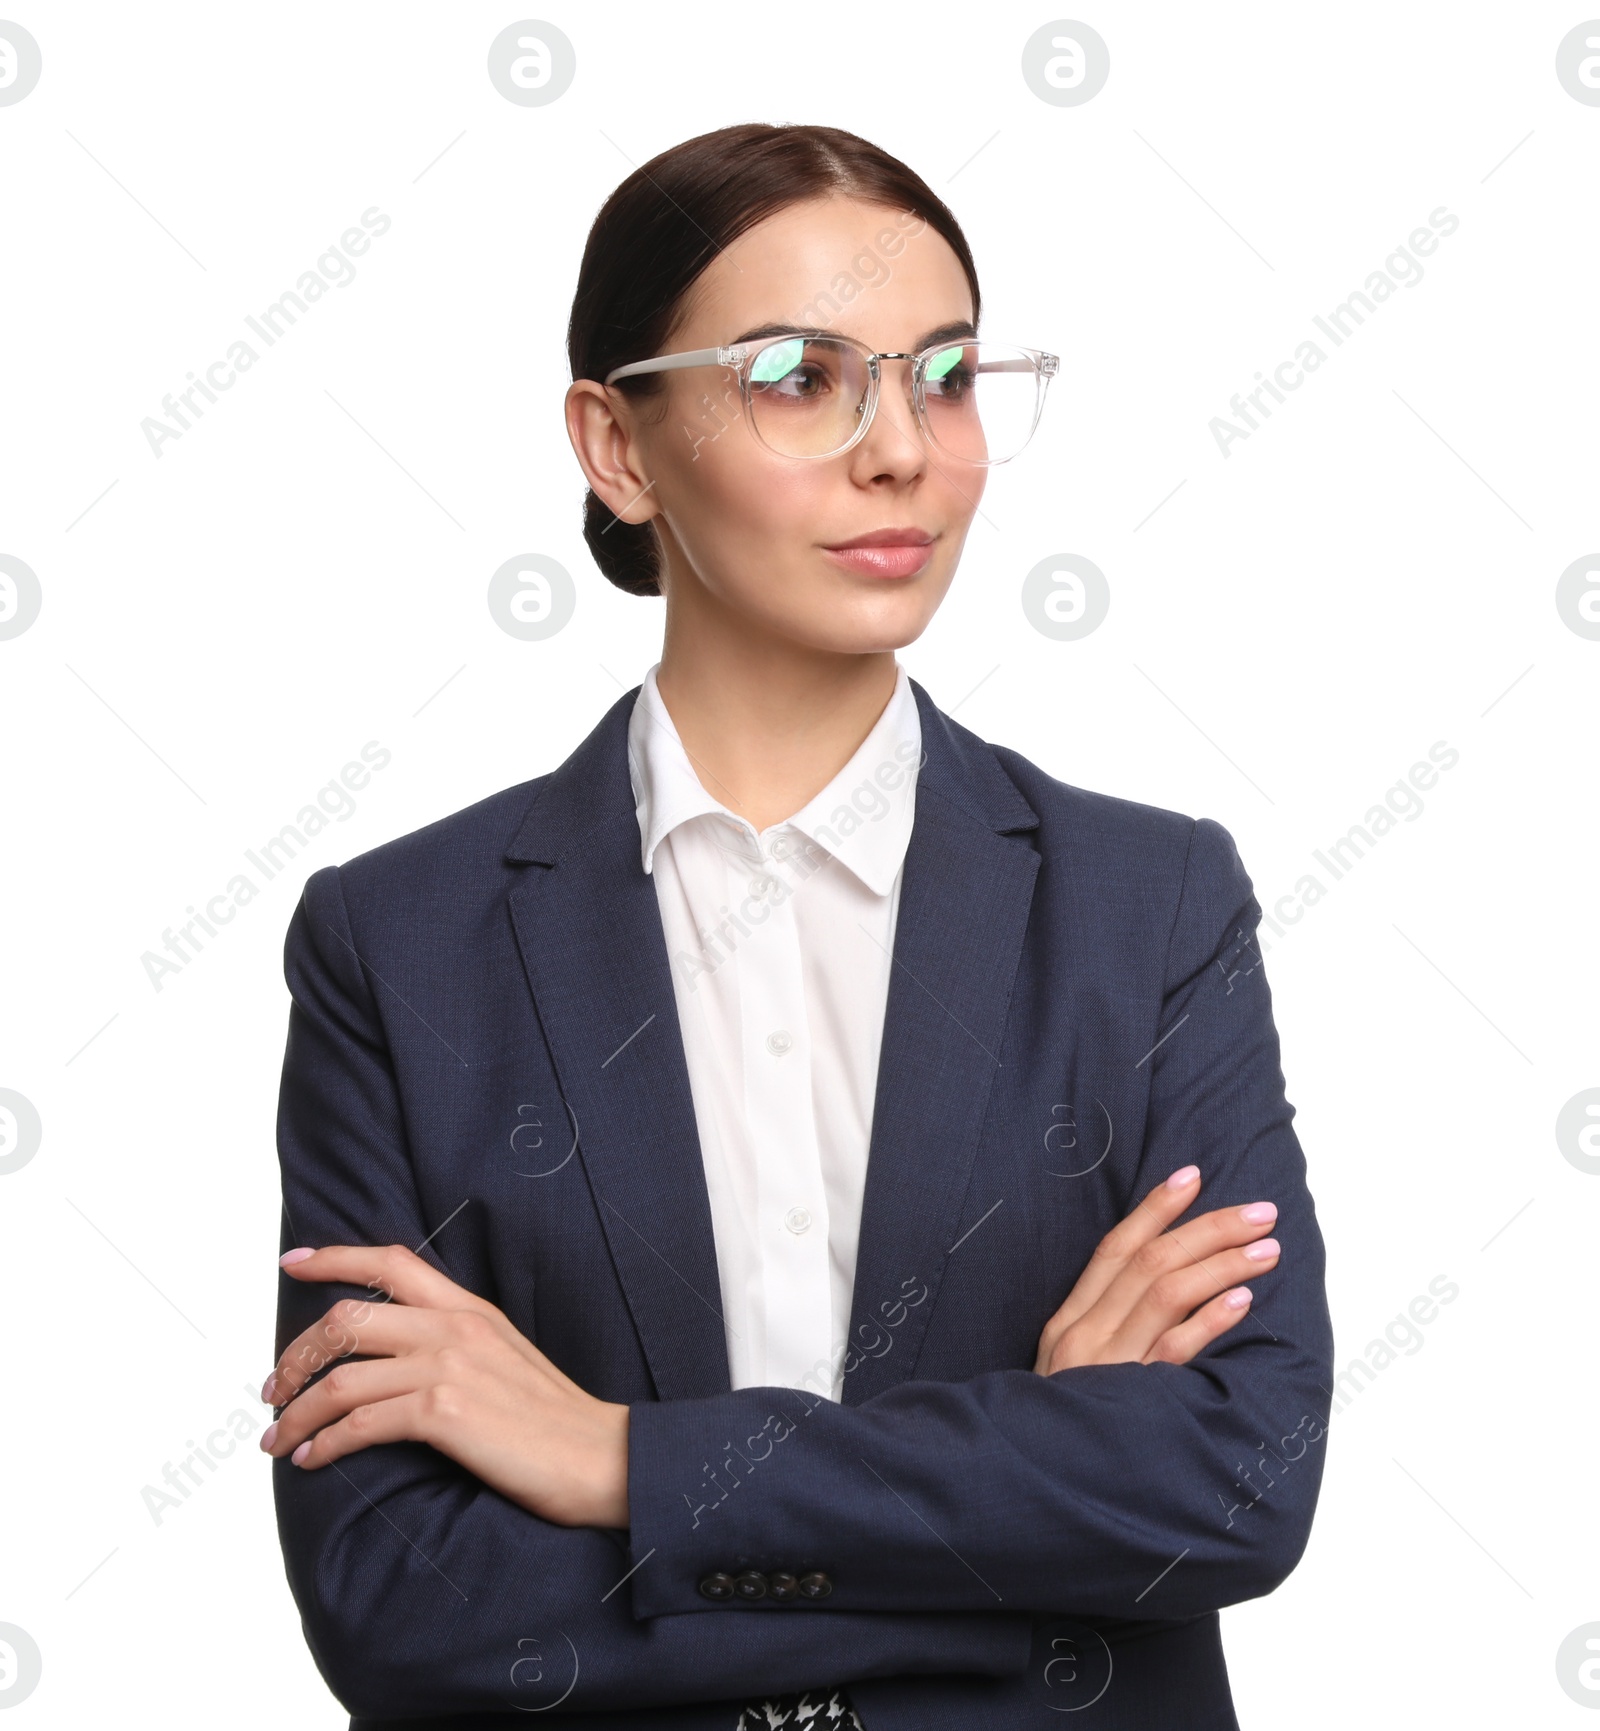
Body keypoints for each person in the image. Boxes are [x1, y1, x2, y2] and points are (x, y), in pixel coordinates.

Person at [262, 122, 1333, 1731]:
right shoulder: (397, 947)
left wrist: (614, 1462)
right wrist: (1026, 1519)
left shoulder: (1151, 906)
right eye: (799, 375)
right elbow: (404, 1609)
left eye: (948, 373)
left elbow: (1239, 1484)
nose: (902, 449)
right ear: (618, 446)